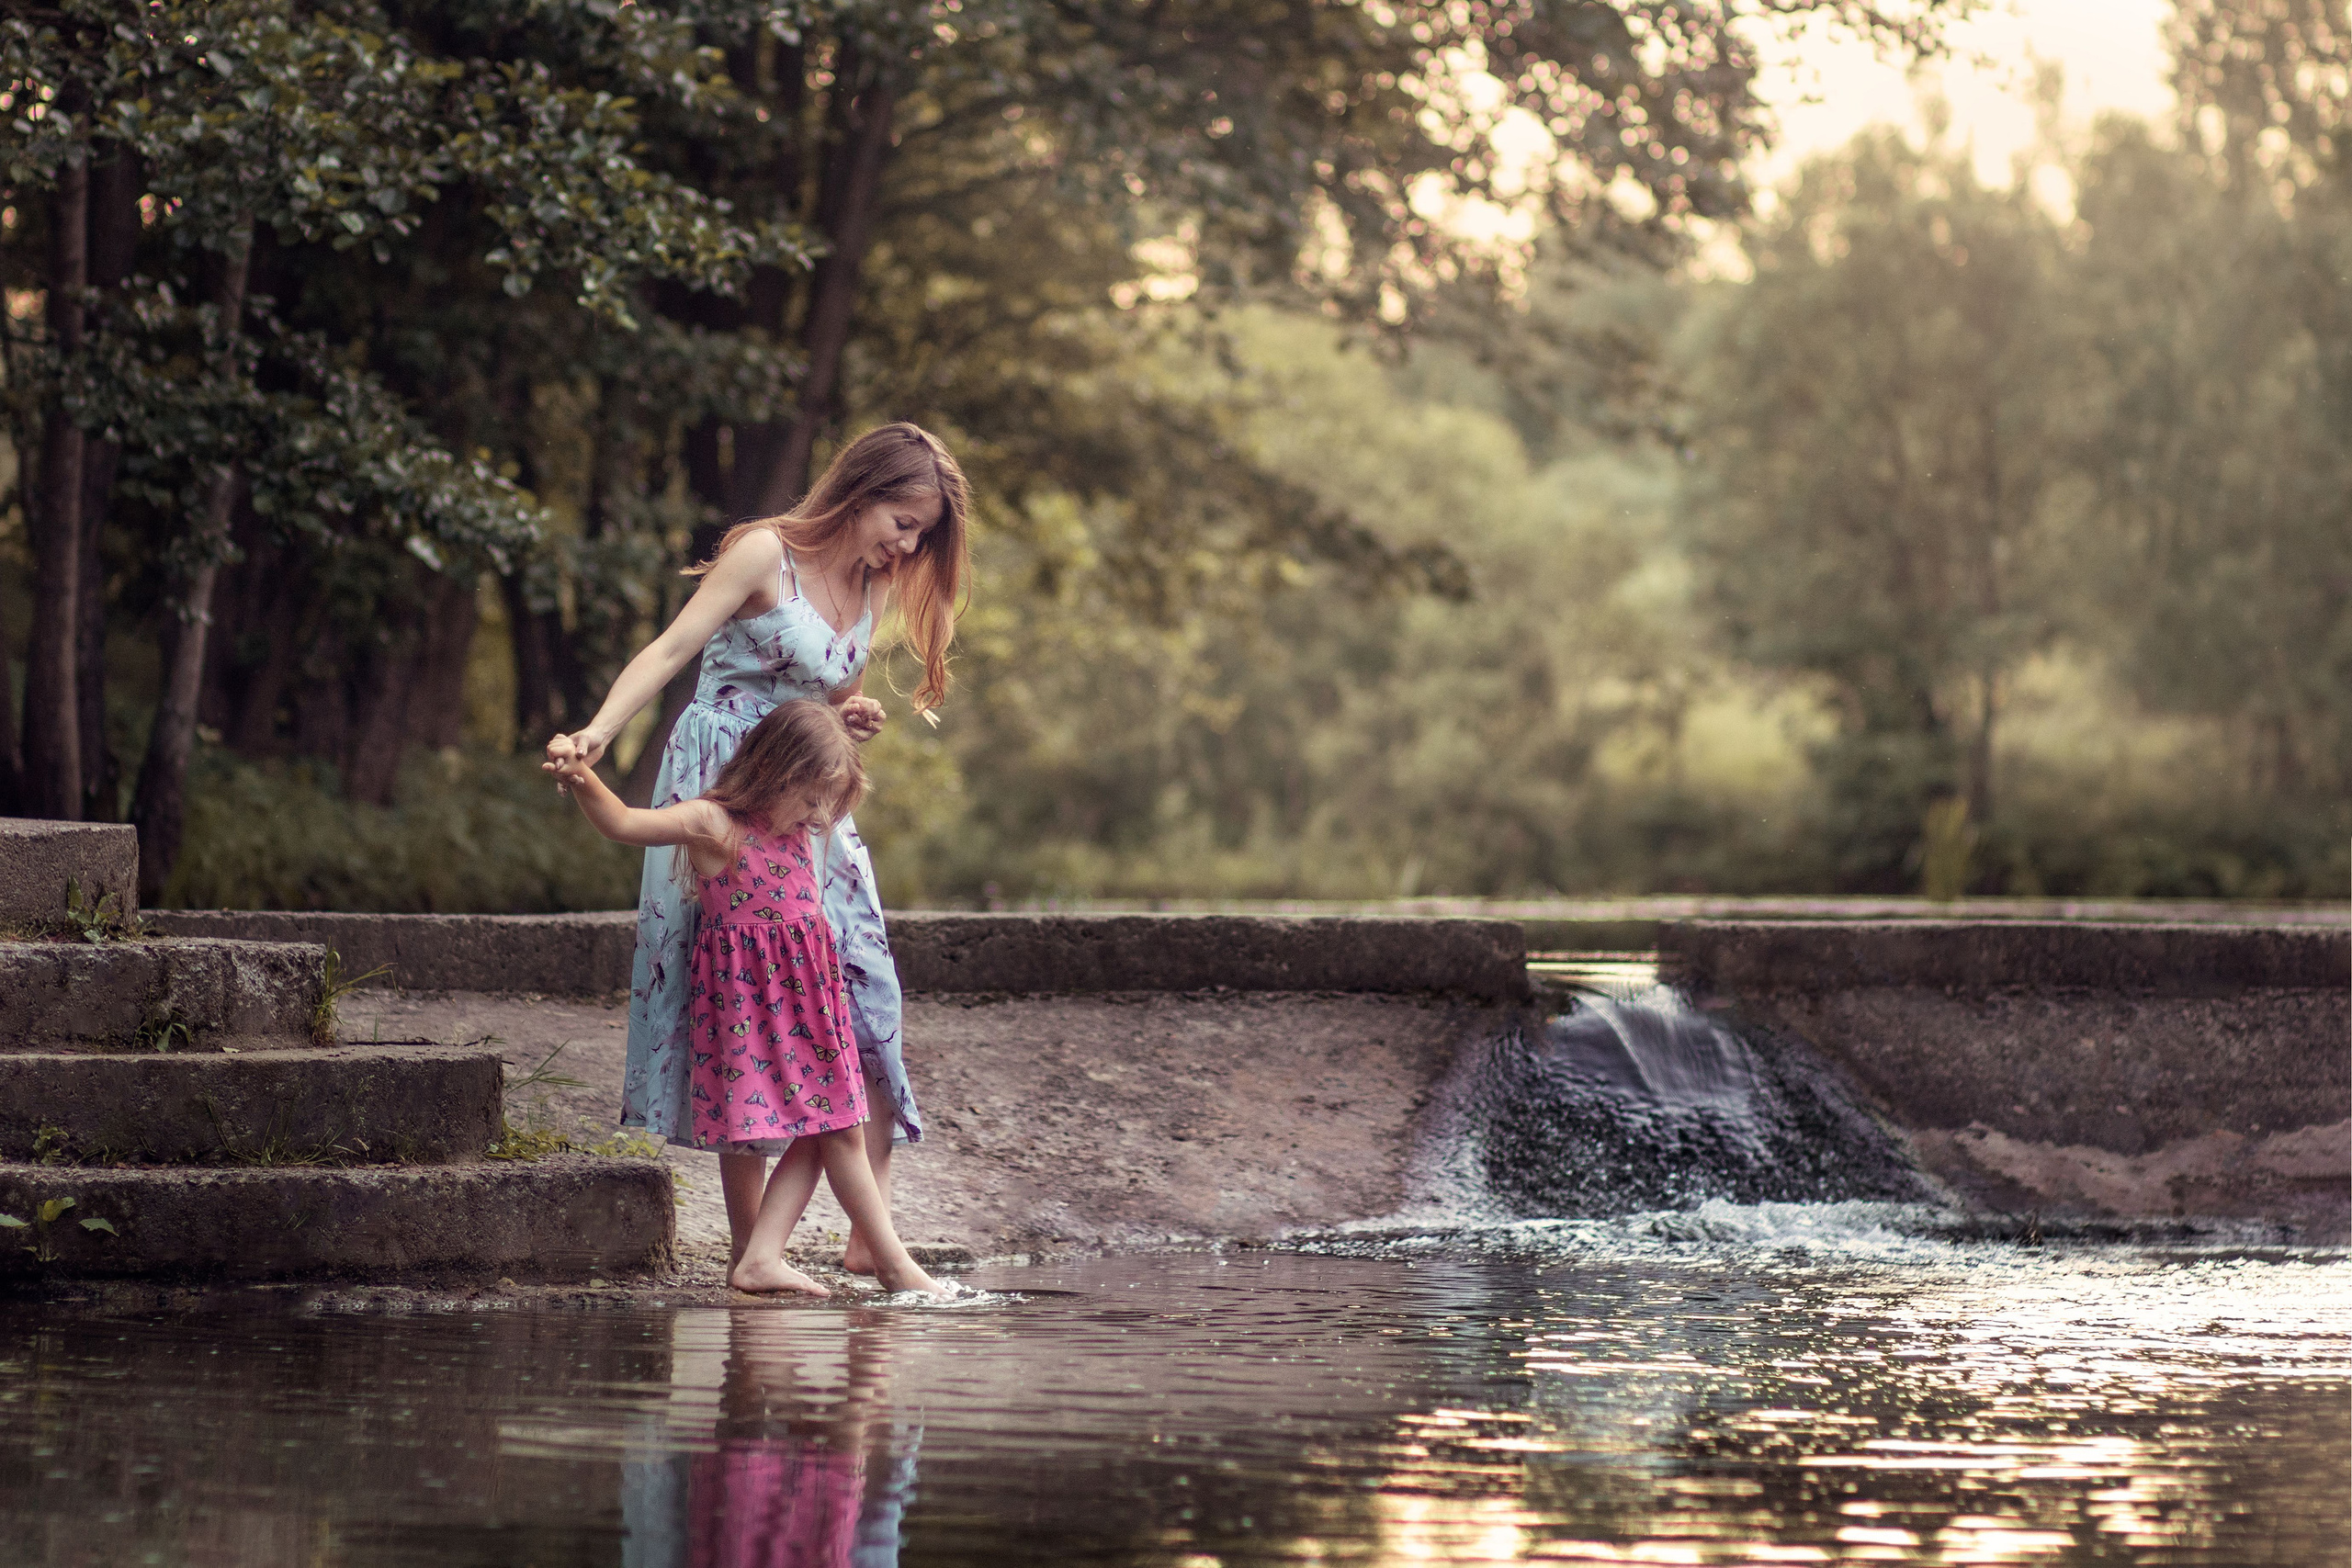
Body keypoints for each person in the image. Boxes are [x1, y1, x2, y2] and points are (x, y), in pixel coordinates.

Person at [545, 423, 969, 1277]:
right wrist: (596, 730)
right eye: (901, 520)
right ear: (858, 492)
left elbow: (824, 692)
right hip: (729, 786)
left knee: (864, 992)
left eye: (920, 533)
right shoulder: (762, 556)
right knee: (741, 999)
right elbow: (671, 650)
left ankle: (862, 1231)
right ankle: (754, 1248)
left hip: (806, 802)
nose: (907, 544)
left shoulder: (873, 586)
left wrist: (849, 718)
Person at [552, 699, 942, 1296]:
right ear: (776, 772)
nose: (817, 814)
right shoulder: (715, 824)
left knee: (834, 1124)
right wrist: (581, 774)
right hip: (753, 1011)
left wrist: (847, 719)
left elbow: (823, 775)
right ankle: (892, 1267)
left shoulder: (800, 823)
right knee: (834, 1123)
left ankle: (763, 1255)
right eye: (810, 797)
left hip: (812, 1001)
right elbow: (625, 824)